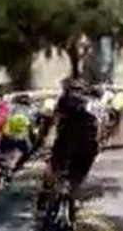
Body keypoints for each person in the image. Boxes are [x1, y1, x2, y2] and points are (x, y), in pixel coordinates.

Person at [35, 78, 100, 222]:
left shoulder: (62, 104)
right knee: (74, 180)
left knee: (50, 176)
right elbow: (98, 132)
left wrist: (41, 144)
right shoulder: (92, 105)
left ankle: (41, 208)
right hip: (86, 149)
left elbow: (49, 127)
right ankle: (69, 199)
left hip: (67, 146)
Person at [0, 93, 37, 176]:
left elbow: (2, 123)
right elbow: (31, 129)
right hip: (21, 140)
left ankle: (6, 168)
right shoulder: (30, 111)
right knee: (28, 149)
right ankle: (14, 169)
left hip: (7, 138)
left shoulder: (9, 109)